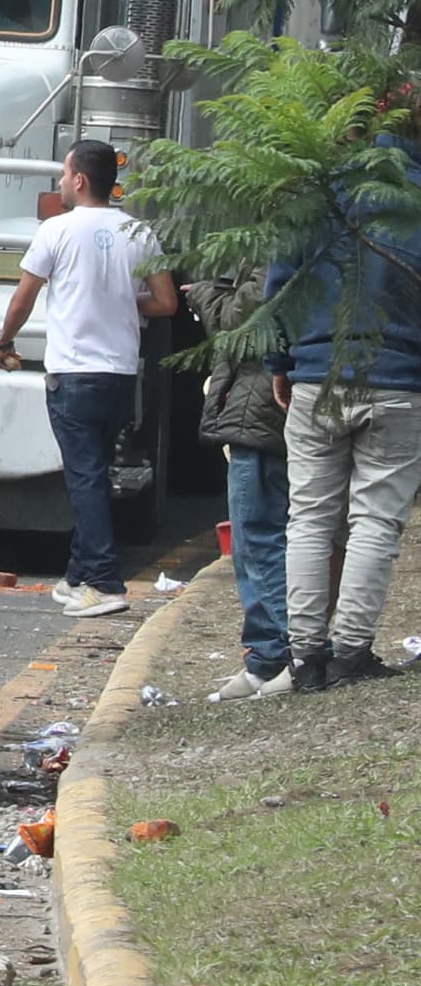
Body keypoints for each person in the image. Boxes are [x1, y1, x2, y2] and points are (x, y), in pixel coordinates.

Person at [263, 121, 421, 691]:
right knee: (376, 520)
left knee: (308, 518)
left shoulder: (321, 194)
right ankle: (352, 653)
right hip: (401, 379)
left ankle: (306, 658)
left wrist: (279, 364)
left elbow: (278, 286)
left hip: (315, 375)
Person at [0, 140, 177, 619]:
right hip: (119, 374)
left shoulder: (55, 230)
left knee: (85, 477)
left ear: (79, 180)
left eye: (63, 175)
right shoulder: (139, 230)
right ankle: (77, 574)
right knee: (96, 471)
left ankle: (104, 582)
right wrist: (120, 299)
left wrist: (3, 341)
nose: (59, 183)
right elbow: (166, 303)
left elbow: (23, 299)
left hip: (73, 373)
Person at [192, 266, 294, 699]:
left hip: (259, 412)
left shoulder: (273, 247)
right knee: (259, 537)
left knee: (257, 537)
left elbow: (239, 321)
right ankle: (267, 656)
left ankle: (285, 651)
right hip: (258, 408)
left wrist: (202, 292)